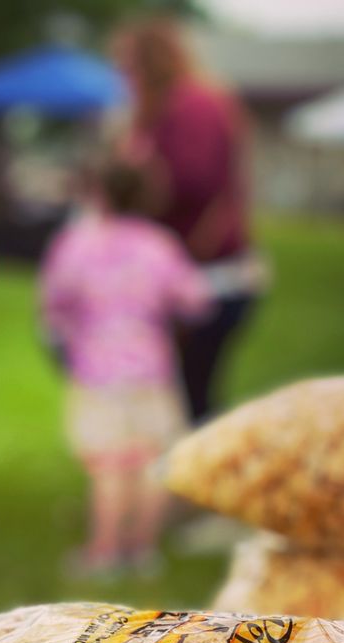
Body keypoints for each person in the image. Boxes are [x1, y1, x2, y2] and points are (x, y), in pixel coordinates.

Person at [40, 159, 211, 577]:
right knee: (151, 457)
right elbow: (195, 300)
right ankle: (141, 549)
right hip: (151, 365)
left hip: (96, 368)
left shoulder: (76, 244)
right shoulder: (160, 244)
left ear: (100, 194)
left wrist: (69, 334)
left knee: (108, 462)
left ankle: (104, 551)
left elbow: (55, 302)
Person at [114, 16, 258, 421]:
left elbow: (192, 181)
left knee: (191, 400)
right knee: (184, 396)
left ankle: (198, 463)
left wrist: (131, 178)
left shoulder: (191, 106)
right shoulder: (179, 105)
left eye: (129, 66)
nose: (124, 78)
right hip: (195, 271)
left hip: (209, 274)